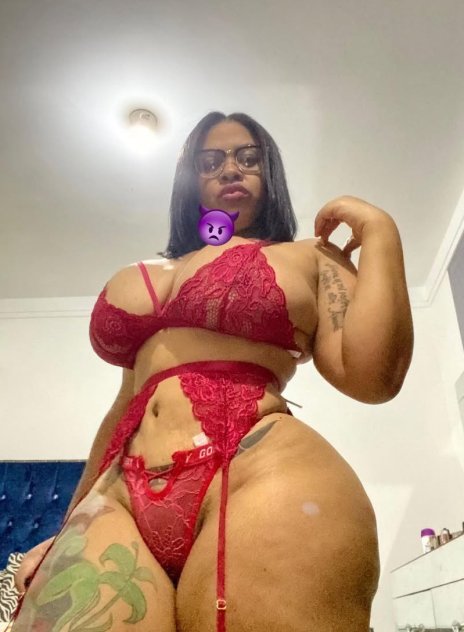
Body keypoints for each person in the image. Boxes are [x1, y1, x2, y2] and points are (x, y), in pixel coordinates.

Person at [12, 111, 413, 632]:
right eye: (210, 161)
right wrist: (69, 525)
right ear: (191, 179)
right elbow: (126, 403)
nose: (230, 169)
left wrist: (381, 232)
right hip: (121, 495)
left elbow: (373, 378)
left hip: (261, 472)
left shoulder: (309, 257)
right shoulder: (151, 270)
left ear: (269, 173)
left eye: (248, 158)